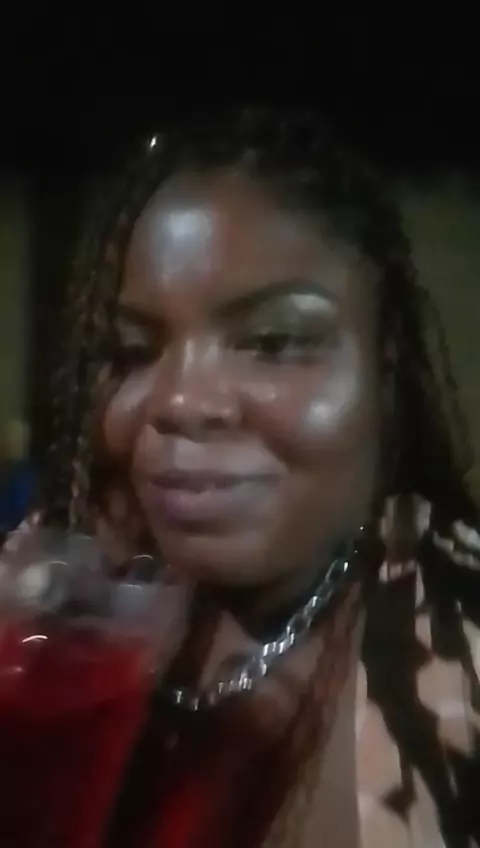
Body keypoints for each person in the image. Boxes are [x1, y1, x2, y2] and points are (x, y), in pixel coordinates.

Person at [17, 108, 480, 846]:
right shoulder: (73, 583)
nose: (178, 401)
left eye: (273, 342)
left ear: (383, 371)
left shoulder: (457, 645)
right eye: (132, 352)